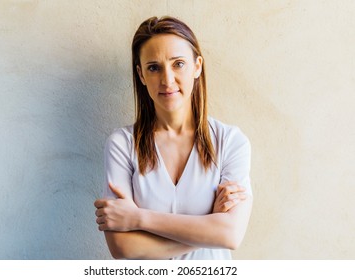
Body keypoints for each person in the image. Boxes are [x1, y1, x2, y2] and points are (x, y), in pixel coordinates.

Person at [94, 16, 253, 260]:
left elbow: (230, 236)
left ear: (197, 66)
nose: (167, 80)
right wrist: (208, 225)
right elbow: (123, 248)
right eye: (154, 67)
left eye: (178, 64)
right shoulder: (122, 145)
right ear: (141, 74)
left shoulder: (231, 142)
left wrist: (138, 218)